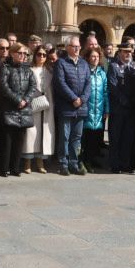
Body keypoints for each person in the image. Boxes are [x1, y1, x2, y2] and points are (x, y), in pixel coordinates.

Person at [0, 42, 36, 176]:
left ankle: (15, 167)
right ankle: (3, 168)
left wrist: (25, 100)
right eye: (20, 53)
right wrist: (17, 100)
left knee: (19, 140)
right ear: (12, 53)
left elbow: (32, 86)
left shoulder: (28, 69)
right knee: (6, 140)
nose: (23, 56)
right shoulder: (5, 68)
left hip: (24, 110)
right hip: (9, 109)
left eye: (25, 53)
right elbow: (3, 87)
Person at [53, 35, 92, 176]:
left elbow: (89, 83)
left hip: (81, 107)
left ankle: (74, 163)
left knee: (77, 137)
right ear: (67, 47)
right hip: (66, 107)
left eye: (78, 46)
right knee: (64, 137)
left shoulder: (84, 63)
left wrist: (82, 99)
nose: (76, 49)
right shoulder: (61, 63)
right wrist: (73, 98)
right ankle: (63, 163)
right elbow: (60, 84)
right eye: (73, 46)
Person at [105, 43, 135, 173]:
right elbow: (113, 86)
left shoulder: (134, 67)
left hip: (131, 109)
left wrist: (133, 101)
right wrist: (124, 100)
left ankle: (125, 164)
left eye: (130, 52)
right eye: (125, 52)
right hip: (118, 108)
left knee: (128, 138)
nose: (128, 54)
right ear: (119, 52)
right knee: (116, 137)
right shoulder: (114, 67)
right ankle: (115, 164)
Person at [82, 45, 109, 171]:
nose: (95, 58)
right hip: (87, 109)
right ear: (87, 58)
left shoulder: (102, 74)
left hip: (98, 110)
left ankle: (92, 159)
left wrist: (106, 109)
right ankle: (84, 160)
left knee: (96, 137)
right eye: (93, 56)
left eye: (97, 56)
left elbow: (105, 92)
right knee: (85, 137)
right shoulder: (84, 71)